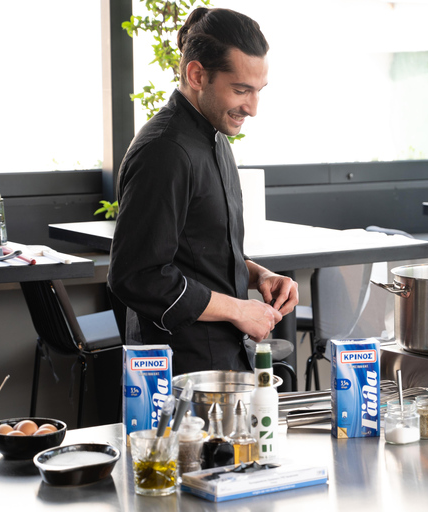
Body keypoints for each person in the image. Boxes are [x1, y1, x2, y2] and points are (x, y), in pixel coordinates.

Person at [108, 7, 298, 375]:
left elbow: (199, 252)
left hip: (223, 359)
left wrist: (257, 276)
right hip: (180, 371)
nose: (253, 108)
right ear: (197, 75)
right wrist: (240, 309)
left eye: (258, 91)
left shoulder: (214, 133)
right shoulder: (165, 151)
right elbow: (137, 275)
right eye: (241, 90)